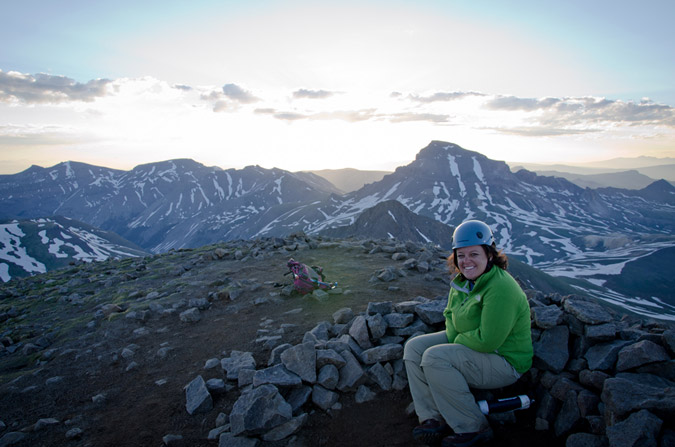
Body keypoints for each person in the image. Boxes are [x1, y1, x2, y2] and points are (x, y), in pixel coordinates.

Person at [403, 219, 533, 447]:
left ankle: (473, 428)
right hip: (475, 347)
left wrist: (458, 341)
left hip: (504, 360)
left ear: (490, 255)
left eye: (474, 254)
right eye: (461, 255)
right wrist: (458, 339)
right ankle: (433, 417)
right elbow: (450, 317)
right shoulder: (462, 282)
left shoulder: (501, 288)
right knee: (414, 348)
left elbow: (487, 340)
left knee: (434, 358)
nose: (466, 261)